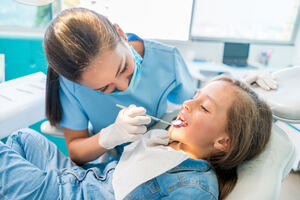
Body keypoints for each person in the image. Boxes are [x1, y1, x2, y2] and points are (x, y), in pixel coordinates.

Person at [0, 76, 273, 200]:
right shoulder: (164, 141)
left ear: (223, 142)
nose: (188, 104)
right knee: (22, 137)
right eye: (196, 95)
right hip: (78, 178)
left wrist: (242, 103)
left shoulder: (196, 187)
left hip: (66, 194)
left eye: (204, 107)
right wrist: (240, 85)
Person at [43, 7, 196, 165]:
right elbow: (76, 152)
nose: (124, 87)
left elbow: (192, 109)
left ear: (120, 33)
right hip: (115, 166)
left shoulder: (167, 59)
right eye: (104, 88)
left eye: (123, 68)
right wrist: (110, 136)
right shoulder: (70, 86)